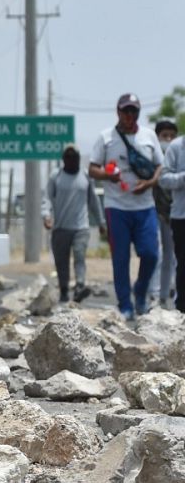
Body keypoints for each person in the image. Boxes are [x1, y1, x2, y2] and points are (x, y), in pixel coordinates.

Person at [91, 94, 165, 319]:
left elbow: (161, 166)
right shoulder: (106, 138)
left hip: (145, 206)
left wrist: (150, 182)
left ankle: (140, 292)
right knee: (120, 258)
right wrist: (107, 175)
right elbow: (93, 168)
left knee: (151, 254)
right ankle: (125, 305)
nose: (130, 116)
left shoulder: (149, 136)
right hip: (117, 207)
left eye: (134, 111)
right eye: (126, 111)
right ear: (118, 112)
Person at [45, 146, 102, 304]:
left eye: (74, 157)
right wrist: (46, 215)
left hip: (81, 227)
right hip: (60, 227)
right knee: (61, 261)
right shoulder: (56, 176)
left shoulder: (85, 176)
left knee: (79, 256)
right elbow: (47, 198)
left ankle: (79, 287)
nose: (71, 160)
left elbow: (93, 201)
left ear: (78, 158)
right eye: (68, 157)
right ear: (64, 159)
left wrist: (101, 221)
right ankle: (64, 289)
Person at [152, 120, 178, 309]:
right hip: (153, 211)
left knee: (171, 255)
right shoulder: (152, 157)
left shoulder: (177, 156)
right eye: (164, 136)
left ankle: (164, 296)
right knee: (156, 254)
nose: (168, 139)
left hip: (173, 214)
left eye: (171, 135)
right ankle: (153, 294)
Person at [160, 130, 185, 312]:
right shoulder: (176, 147)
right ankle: (182, 309)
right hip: (181, 216)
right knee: (183, 264)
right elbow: (163, 179)